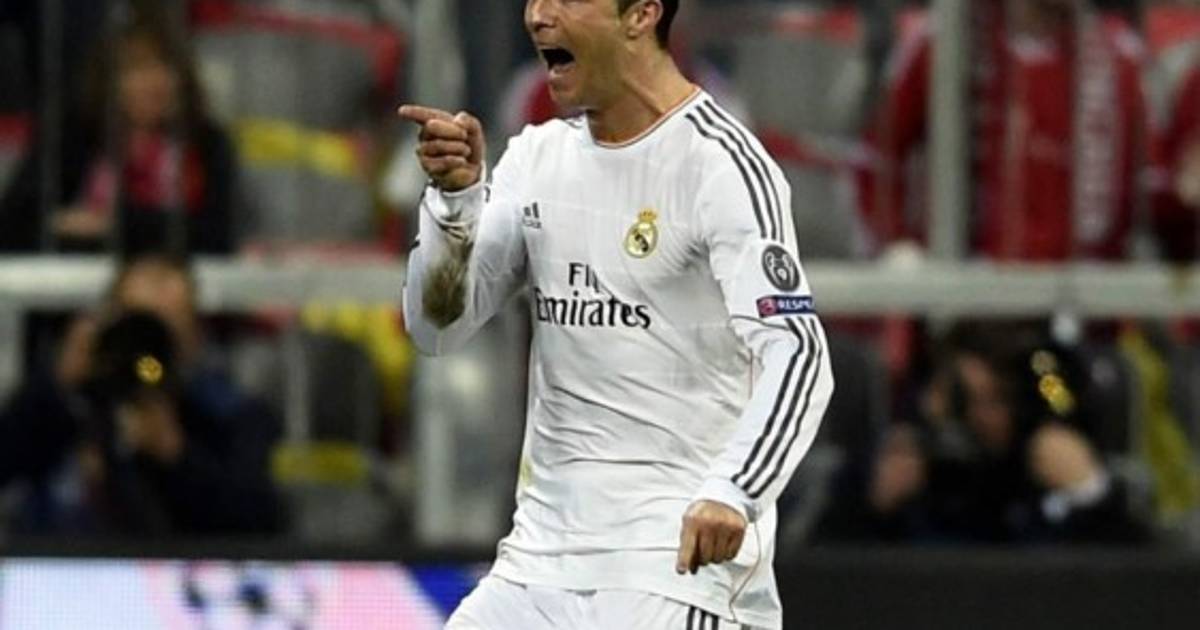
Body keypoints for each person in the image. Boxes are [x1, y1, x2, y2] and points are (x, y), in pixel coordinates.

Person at [400, 0, 834, 628]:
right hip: (537, 565)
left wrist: (734, 490)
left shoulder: (721, 165)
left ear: (641, 15)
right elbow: (436, 327)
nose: (537, 14)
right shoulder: (537, 158)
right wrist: (456, 203)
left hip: (672, 568)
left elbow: (798, 352)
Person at [0, 255, 284, 536]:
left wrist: (177, 455)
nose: (146, 352)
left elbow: (259, 522)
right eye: (138, 326)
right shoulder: (71, 403)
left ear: (194, 335)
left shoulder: (230, 414)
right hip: (55, 559)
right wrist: (56, 385)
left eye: (164, 328)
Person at [859, 0, 1144, 261]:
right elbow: (876, 156)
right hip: (965, 286)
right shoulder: (946, 41)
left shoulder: (1118, 56)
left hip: (1083, 290)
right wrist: (897, 247)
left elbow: (1153, 188)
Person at [815, 324, 1148, 545]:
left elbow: (1142, 585)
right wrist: (872, 510)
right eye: (961, 398)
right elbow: (819, 572)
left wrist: (1091, 495)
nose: (976, 416)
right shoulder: (897, 460)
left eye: (997, 399)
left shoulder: (1036, 478)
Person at [0, 3, 236, 255]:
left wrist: (111, 223)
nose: (155, 81)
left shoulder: (207, 142)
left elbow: (217, 235)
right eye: (138, 68)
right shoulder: (75, 136)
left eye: (167, 66)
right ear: (109, 79)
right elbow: (13, 223)